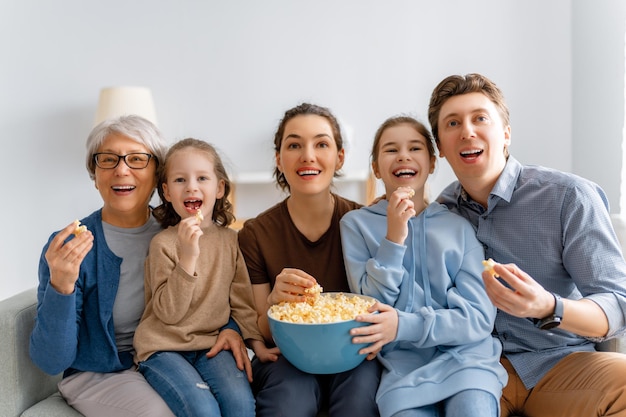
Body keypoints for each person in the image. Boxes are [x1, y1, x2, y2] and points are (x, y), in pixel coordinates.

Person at [430, 73, 626, 417]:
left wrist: (548, 306)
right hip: (477, 368)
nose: (467, 131)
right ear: (442, 148)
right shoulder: (441, 212)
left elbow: (618, 305)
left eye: (480, 118)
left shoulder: (568, 196)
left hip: (560, 364)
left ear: (505, 134)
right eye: (452, 123)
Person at [29, 116, 250, 417]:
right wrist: (62, 285)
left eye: (136, 159)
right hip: (105, 374)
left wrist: (232, 328)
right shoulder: (70, 246)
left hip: (174, 357)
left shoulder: (182, 231)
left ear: (158, 175)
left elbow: (222, 291)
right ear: (94, 175)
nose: (121, 169)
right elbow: (52, 361)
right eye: (107, 160)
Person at [340, 116, 507, 417]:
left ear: (431, 163)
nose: (403, 155)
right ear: (376, 168)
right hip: (403, 376)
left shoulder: (459, 226)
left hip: (468, 364)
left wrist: (403, 325)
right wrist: (394, 237)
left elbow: (480, 318)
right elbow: (372, 307)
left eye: (414, 148)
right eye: (391, 150)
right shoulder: (356, 225)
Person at [237, 102, 382, 417]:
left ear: (339, 156)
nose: (308, 155)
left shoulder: (366, 222)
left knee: (358, 402)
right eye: (294, 145)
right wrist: (275, 300)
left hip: (355, 355)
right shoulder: (255, 234)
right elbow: (262, 331)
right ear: (279, 159)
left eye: (321, 144)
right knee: (289, 403)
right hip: (288, 358)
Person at [133, 138, 276, 417]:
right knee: (203, 410)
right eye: (179, 180)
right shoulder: (162, 244)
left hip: (211, 345)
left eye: (202, 178)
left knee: (242, 407)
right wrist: (187, 258)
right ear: (167, 192)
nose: (191, 186)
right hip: (163, 348)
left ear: (219, 188)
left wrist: (257, 346)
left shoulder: (231, 241)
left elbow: (242, 304)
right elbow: (169, 314)